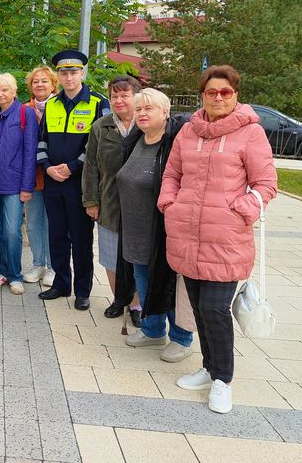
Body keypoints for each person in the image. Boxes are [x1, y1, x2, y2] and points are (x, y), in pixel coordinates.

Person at [158, 65, 277, 414]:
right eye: (212, 92)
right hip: (187, 234)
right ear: (203, 96)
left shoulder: (251, 134)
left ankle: (223, 379)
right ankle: (209, 369)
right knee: (197, 307)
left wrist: (239, 209)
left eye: (226, 92)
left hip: (225, 238)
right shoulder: (189, 131)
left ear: (236, 95)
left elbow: (266, 183)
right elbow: (172, 173)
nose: (219, 97)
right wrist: (170, 202)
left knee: (214, 309)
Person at [116, 88, 193, 361]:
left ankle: (182, 338)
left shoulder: (173, 145)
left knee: (168, 284)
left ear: (165, 112)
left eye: (149, 108)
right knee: (144, 281)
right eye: (138, 109)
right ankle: (152, 330)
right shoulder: (135, 140)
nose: (142, 113)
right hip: (135, 230)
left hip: (163, 231)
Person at [38, 50, 110, 310]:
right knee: (57, 236)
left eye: (73, 72)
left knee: (81, 239)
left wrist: (71, 167)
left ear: (82, 73)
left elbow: (98, 145)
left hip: (81, 184)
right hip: (53, 183)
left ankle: (82, 290)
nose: (68, 77)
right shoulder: (52, 104)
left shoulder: (98, 103)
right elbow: (42, 139)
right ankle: (60, 283)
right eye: (63, 72)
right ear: (58, 75)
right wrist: (46, 167)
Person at [82, 75, 142, 326]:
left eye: (124, 95)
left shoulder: (147, 123)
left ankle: (137, 304)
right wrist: (91, 201)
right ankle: (119, 299)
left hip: (142, 206)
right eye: (114, 95)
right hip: (109, 202)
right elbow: (91, 166)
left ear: (136, 96)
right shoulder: (101, 126)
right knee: (110, 255)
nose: (118, 100)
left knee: (138, 257)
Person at [0, 73, 38, 295]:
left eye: (5, 90)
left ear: (14, 91)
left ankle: (15, 275)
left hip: (14, 185)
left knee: (12, 232)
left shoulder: (26, 114)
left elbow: (30, 152)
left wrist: (27, 186)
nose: (0, 94)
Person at [23, 66, 59, 287]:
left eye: (44, 81)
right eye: (36, 81)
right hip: (33, 177)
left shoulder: (62, 107)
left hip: (57, 174)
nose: (40, 85)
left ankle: (55, 267)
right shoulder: (24, 110)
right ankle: (38, 264)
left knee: (54, 223)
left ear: (53, 84)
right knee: (34, 223)